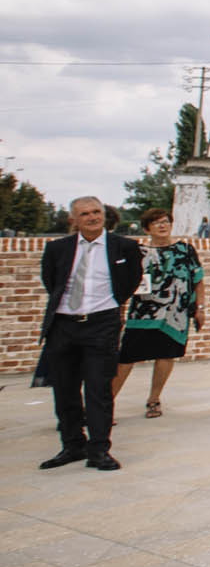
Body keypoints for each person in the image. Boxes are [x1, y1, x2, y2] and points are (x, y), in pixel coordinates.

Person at [37, 196, 145, 470]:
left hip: (101, 324)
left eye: (96, 211)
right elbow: (52, 282)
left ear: (105, 214)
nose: (92, 217)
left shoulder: (124, 247)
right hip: (64, 325)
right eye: (85, 214)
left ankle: (99, 449)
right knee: (65, 390)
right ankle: (72, 445)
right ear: (74, 219)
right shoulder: (57, 249)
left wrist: (108, 304)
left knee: (98, 389)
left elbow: (131, 281)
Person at [110, 208, 205, 419]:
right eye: (156, 223)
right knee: (127, 356)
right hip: (143, 312)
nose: (162, 226)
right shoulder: (137, 252)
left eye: (165, 222)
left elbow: (198, 279)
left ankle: (154, 399)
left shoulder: (185, 250)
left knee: (166, 354)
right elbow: (126, 283)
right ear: (147, 229)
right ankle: (107, 403)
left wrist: (200, 307)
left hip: (175, 312)